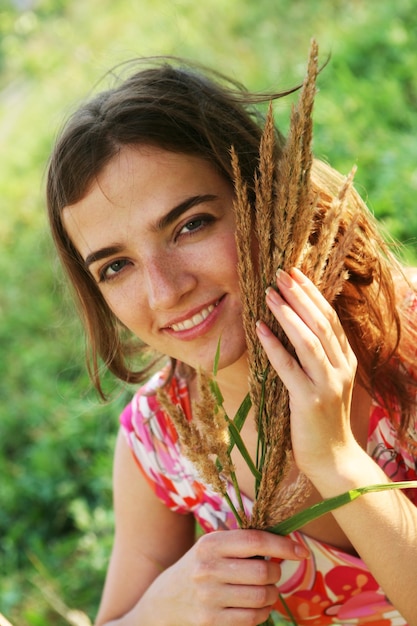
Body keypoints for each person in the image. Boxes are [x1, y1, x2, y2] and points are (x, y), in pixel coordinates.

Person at [46, 56, 417, 626]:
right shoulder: (162, 443)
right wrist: (164, 610)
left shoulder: (405, 330)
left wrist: (339, 461)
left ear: (264, 196)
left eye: (190, 224)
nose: (165, 292)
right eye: (115, 267)